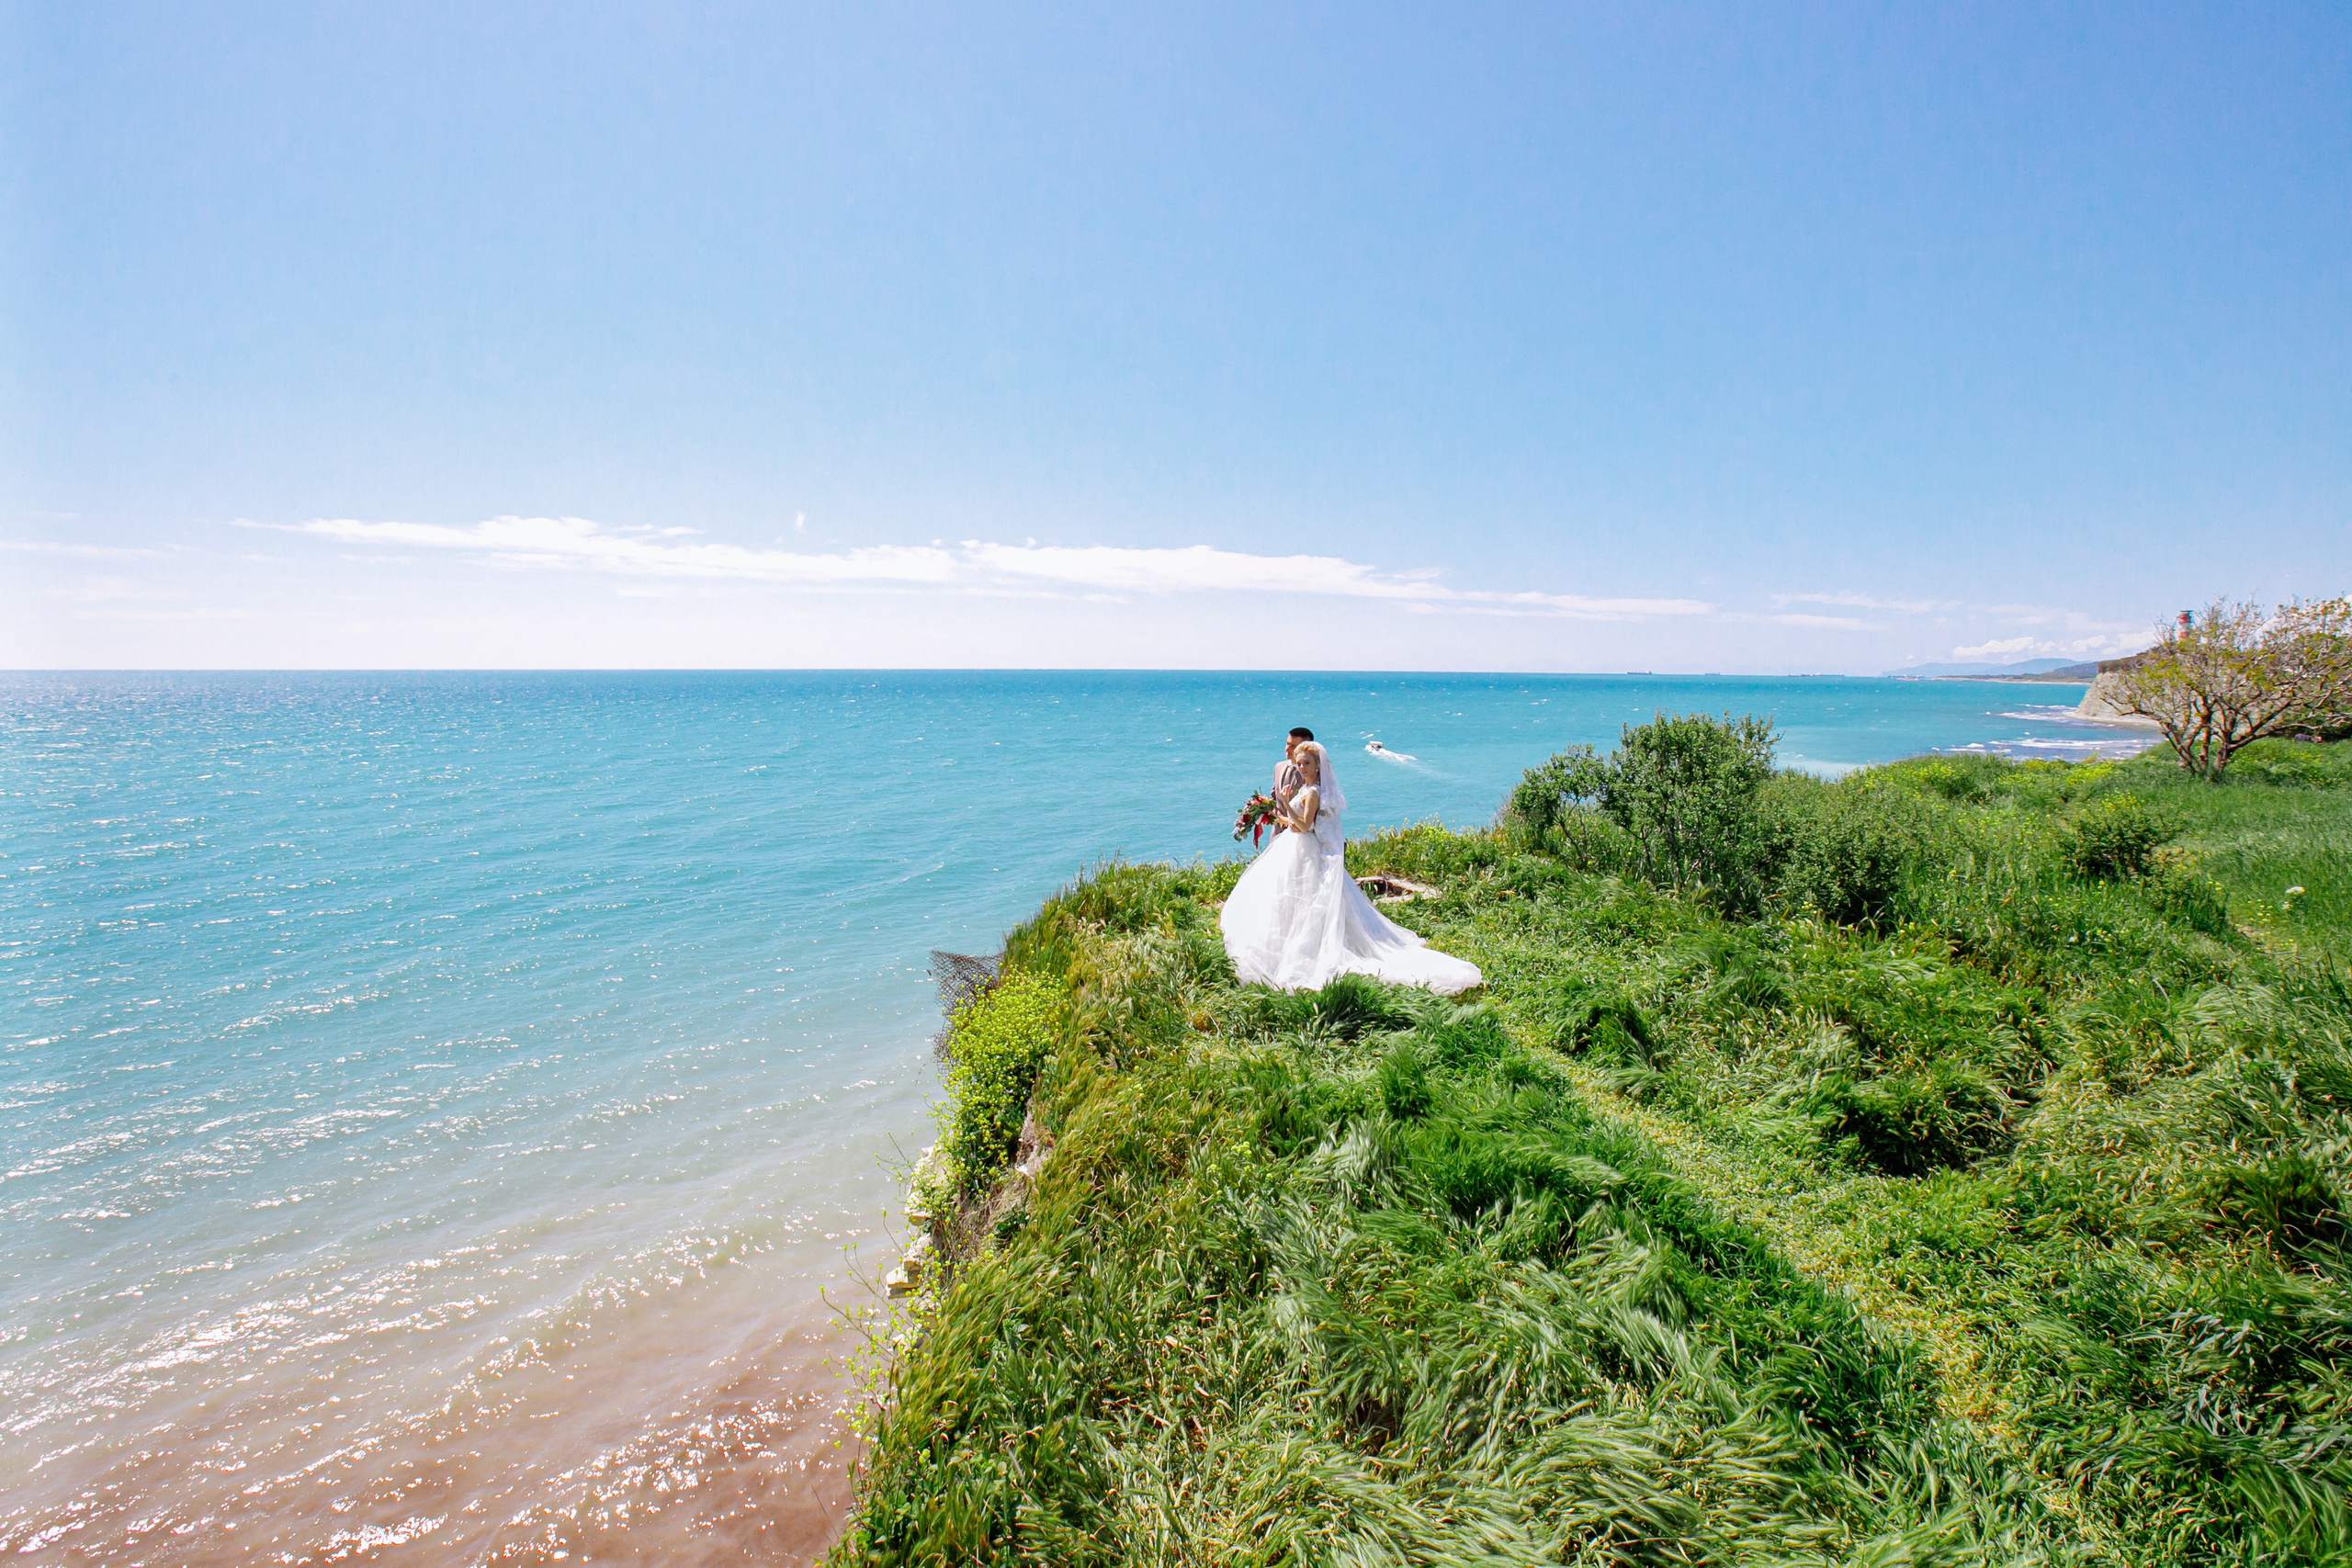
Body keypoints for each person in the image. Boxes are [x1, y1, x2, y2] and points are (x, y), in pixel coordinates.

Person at [1220, 741, 1482, 995]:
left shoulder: (1313, 792)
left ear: (1318, 765)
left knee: (1306, 898)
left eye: (1306, 763)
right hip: (1297, 847)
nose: (1301, 768)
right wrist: (1274, 814)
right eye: (1299, 763)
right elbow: (1296, 822)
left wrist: (1287, 803)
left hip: (1305, 849)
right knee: (1294, 898)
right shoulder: (1308, 788)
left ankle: (1303, 948)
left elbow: (1305, 826)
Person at [1269, 727, 1310, 834]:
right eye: (1287, 744)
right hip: (1277, 834)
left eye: (1292, 746)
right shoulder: (1278, 767)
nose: (1287, 749)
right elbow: (1274, 798)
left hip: (1300, 834)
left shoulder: (1311, 775)